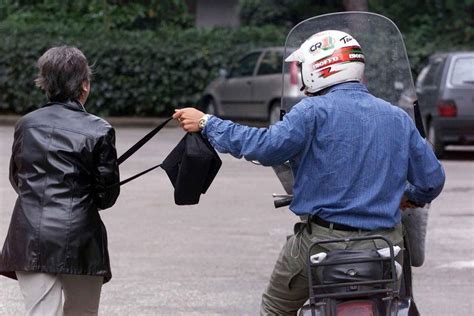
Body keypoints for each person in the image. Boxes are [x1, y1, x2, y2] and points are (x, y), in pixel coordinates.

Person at [173, 30, 445, 315]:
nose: (300, 75)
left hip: (321, 244)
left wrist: (207, 122)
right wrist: (407, 196)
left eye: (301, 67)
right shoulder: (397, 118)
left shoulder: (311, 112)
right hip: (384, 247)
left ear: (321, 68)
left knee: (275, 307)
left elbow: (264, 147)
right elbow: (432, 181)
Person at [0, 46, 120, 315]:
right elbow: (106, 196)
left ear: (45, 84)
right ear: (85, 85)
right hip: (81, 240)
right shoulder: (100, 129)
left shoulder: (26, 124)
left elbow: (17, 177)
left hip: (30, 236)